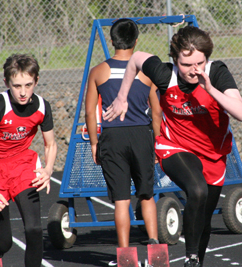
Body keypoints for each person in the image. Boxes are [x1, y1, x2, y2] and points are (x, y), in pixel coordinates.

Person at [103, 26, 242, 267]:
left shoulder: (217, 73)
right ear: (175, 60)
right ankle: (190, 258)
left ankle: (197, 260)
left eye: (199, 63)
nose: (194, 71)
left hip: (213, 153)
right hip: (175, 146)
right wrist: (122, 96)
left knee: (204, 219)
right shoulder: (164, 75)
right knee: (197, 190)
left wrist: (210, 89)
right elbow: (136, 58)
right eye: (186, 64)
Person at [85, 18, 162, 266]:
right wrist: (158, 140)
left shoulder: (98, 71)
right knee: (147, 195)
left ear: (111, 41)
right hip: (141, 135)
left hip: (113, 137)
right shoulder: (146, 71)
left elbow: (89, 112)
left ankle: (126, 254)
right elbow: (157, 111)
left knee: (121, 199)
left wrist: (95, 143)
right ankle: (154, 248)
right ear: (136, 41)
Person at [0, 54, 57, 267]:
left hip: (22, 166)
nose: (23, 92)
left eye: (28, 85)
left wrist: (48, 170)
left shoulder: (42, 107)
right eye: (16, 85)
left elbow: (50, 144)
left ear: (36, 81)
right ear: (6, 83)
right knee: (4, 242)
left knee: (34, 229)